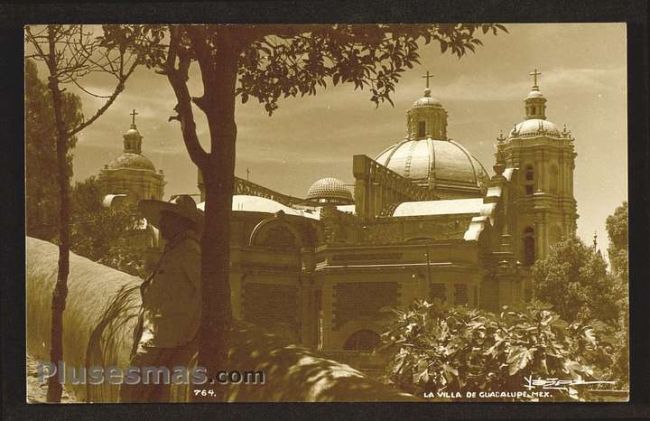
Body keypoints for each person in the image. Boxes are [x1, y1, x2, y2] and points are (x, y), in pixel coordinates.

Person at [119, 195, 203, 403]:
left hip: (165, 335)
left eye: (168, 218)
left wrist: (187, 329)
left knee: (132, 388)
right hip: (156, 329)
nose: (162, 223)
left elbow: (203, 292)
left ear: (181, 222)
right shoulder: (176, 248)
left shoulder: (189, 251)